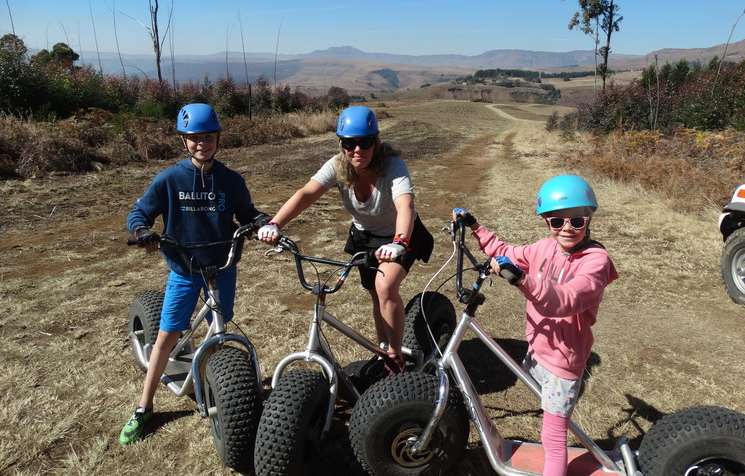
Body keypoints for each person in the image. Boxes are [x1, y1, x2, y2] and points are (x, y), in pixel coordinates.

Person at [119, 103, 269, 444]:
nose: (202, 143)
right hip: (184, 269)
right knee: (167, 336)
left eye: (208, 136)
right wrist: (141, 230)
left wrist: (260, 222)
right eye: (194, 137)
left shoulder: (230, 180)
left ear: (218, 138)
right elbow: (139, 212)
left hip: (223, 267)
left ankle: (216, 382)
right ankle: (144, 407)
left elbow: (247, 212)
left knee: (219, 328)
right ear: (185, 140)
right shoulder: (169, 179)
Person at [454, 174, 618, 476]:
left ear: (588, 219)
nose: (567, 228)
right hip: (539, 348)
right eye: (557, 222)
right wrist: (476, 227)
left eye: (576, 221)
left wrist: (521, 280)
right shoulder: (544, 248)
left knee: (553, 439)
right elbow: (507, 252)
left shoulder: (596, 262)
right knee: (550, 416)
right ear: (547, 223)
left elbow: (566, 300)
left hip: (563, 362)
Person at [258, 105, 433, 374]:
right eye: (349, 144)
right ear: (342, 144)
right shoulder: (338, 165)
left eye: (364, 143)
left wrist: (399, 242)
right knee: (376, 295)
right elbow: (306, 194)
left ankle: (396, 358)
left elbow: (405, 205)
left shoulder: (393, 166)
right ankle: (384, 347)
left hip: (399, 235)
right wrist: (275, 223)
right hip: (364, 237)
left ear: (375, 142)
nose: (357, 150)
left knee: (385, 287)